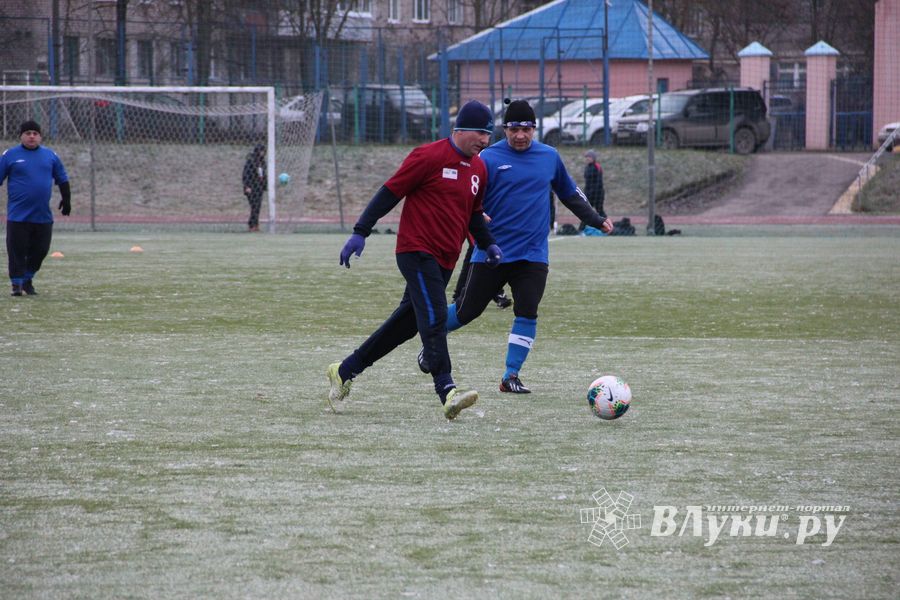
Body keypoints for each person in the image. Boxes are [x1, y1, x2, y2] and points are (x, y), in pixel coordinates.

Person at [418, 99, 612, 393]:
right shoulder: (487, 157)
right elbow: (464, 194)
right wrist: (474, 216)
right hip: (492, 251)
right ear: (504, 129)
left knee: (527, 311)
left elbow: (570, 193)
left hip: (533, 254)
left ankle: (511, 376)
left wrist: (596, 219)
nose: (520, 135)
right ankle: (431, 341)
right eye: (514, 129)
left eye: (526, 129)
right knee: (467, 311)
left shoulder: (549, 156)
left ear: (534, 128)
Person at [326, 100, 503, 420]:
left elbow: (474, 213)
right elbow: (389, 192)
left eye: (489, 134)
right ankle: (447, 390)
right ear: (460, 129)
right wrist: (360, 231)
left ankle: (345, 369)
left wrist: (488, 244)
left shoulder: (479, 168)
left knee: (406, 325)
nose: (485, 140)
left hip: (446, 257)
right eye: (480, 132)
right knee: (435, 315)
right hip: (416, 250)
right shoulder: (428, 156)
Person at [1, 120, 71, 297]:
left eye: (35, 133)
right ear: (21, 136)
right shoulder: (10, 155)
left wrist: (66, 199)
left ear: (40, 136)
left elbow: (62, 178)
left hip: (42, 215)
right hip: (18, 216)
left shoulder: (50, 155)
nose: (31, 136)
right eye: (28, 133)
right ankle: (17, 284)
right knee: (16, 251)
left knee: (41, 250)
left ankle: (27, 278)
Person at [242, 143, 266, 232]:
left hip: (259, 188)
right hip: (251, 187)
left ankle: (255, 224)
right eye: (261, 151)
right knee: (254, 206)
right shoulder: (251, 161)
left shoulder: (263, 162)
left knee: (257, 206)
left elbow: (263, 175)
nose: (262, 153)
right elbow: (245, 174)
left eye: (264, 151)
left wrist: (265, 185)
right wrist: (247, 186)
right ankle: (251, 224)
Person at [579, 149, 605, 231]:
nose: (587, 158)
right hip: (589, 194)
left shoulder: (597, 167)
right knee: (586, 211)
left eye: (589, 157)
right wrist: (586, 193)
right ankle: (581, 229)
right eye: (586, 157)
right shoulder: (587, 168)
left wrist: (593, 192)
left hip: (597, 194)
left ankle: (608, 226)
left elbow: (599, 182)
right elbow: (587, 182)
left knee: (599, 211)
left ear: (593, 158)